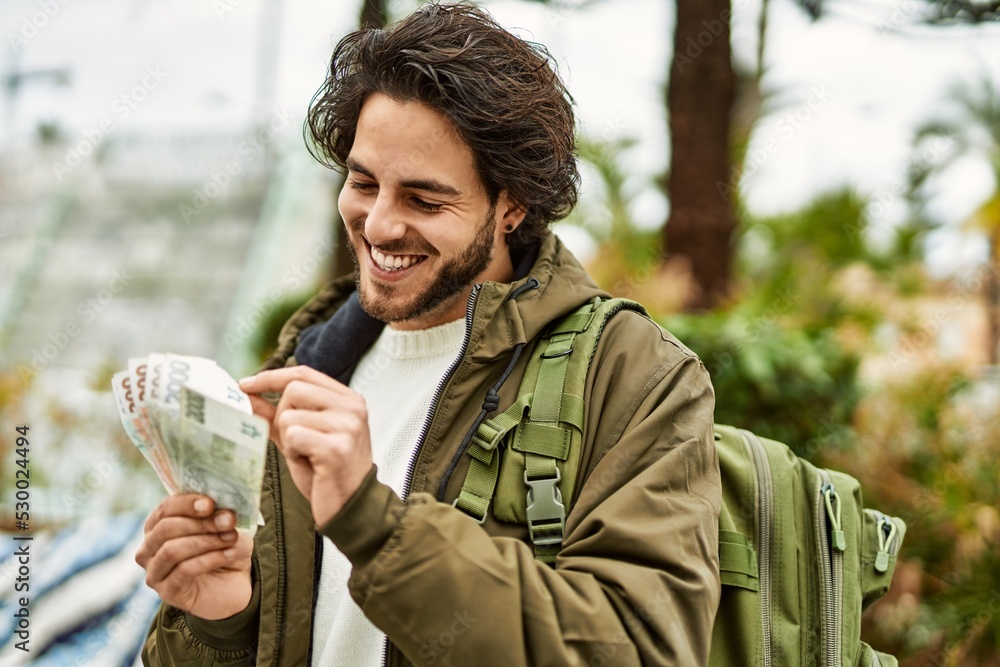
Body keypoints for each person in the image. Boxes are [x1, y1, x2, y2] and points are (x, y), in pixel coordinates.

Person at [135, 4, 721, 665]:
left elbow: (642, 651)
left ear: (513, 204)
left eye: (424, 200)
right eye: (362, 182)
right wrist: (223, 620)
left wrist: (374, 524)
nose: (379, 225)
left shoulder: (634, 376)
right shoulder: (309, 363)